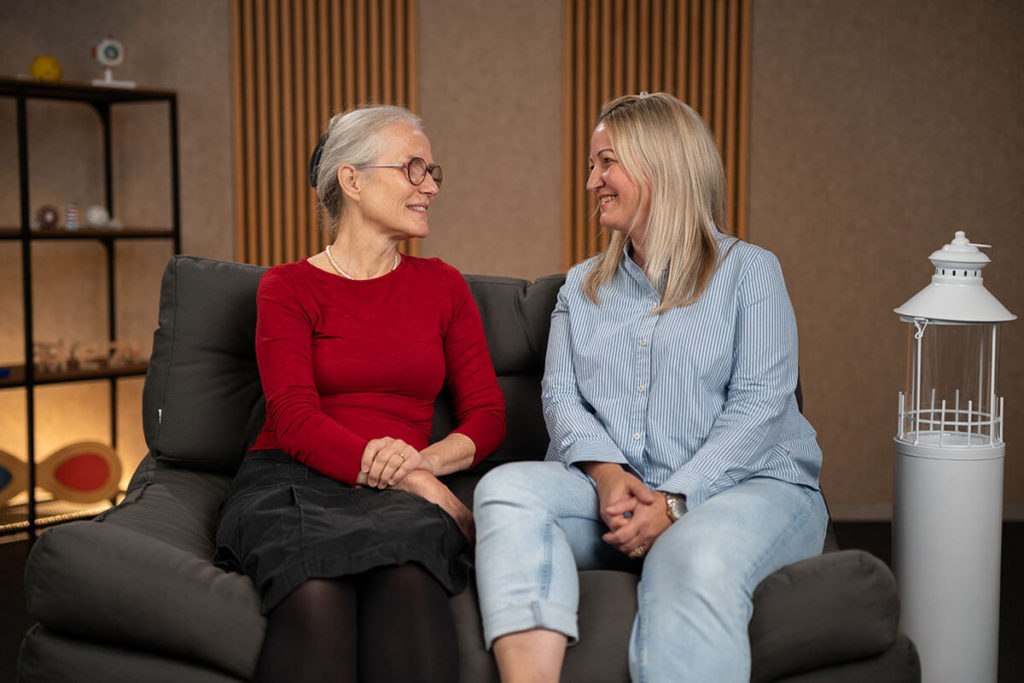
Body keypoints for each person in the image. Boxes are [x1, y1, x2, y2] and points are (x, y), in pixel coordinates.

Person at [472, 92, 827, 682]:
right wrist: (609, 476)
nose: (592, 181)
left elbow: (761, 405)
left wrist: (675, 502)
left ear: (660, 164)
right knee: (506, 490)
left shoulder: (750, 271)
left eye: (606, 162)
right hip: (619, 496)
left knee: (690, 551)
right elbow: (561, 400)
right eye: (592, 165)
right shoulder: (581, 287)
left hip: (751, 488)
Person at [214, 104, 505, 683]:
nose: (430, 187)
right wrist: (406, 476)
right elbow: (292, 418)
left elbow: (488, 415)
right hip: (289, 480)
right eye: (413, 168)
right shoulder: (287, 287)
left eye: (432, 172)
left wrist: (420, 467)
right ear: (352, 179)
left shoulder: (443, 286)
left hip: (402, 489)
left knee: (408, 582)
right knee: (314, 593)